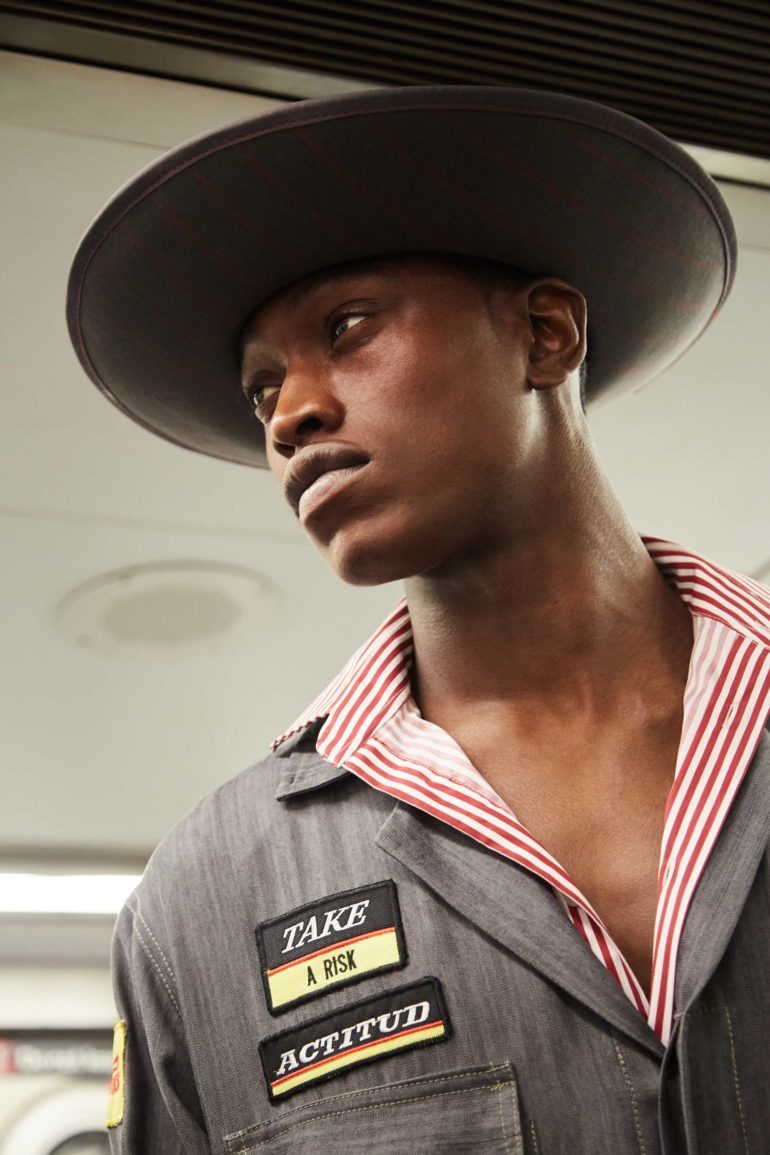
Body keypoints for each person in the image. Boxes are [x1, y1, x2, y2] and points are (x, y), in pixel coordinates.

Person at [67, 87, 769, 1154]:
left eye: (345, 329)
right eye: (262, 394)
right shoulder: (206, 901)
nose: (292, 415)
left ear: (543, 333)